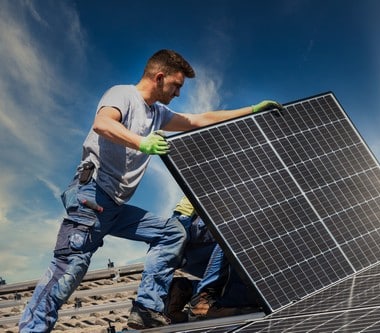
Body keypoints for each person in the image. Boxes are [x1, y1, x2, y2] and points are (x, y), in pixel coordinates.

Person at [18, 49, 283, 332]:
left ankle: (146, 309)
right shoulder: (122, 95)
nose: (178, 93)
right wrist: (141, 143)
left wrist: (252, 110)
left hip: (116, 207)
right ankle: (32, 329)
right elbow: (103, 123)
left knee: (171, 233)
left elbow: (198, 120)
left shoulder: (157, 113)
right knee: (69, 271)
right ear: (159, 77)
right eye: (176, 85)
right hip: (91, 199)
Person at [163, 196, 260, 324]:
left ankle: (186, 289)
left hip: (204, 252)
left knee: (259, 283)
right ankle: (203, 301)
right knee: (241, 228)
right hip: (194, 233)